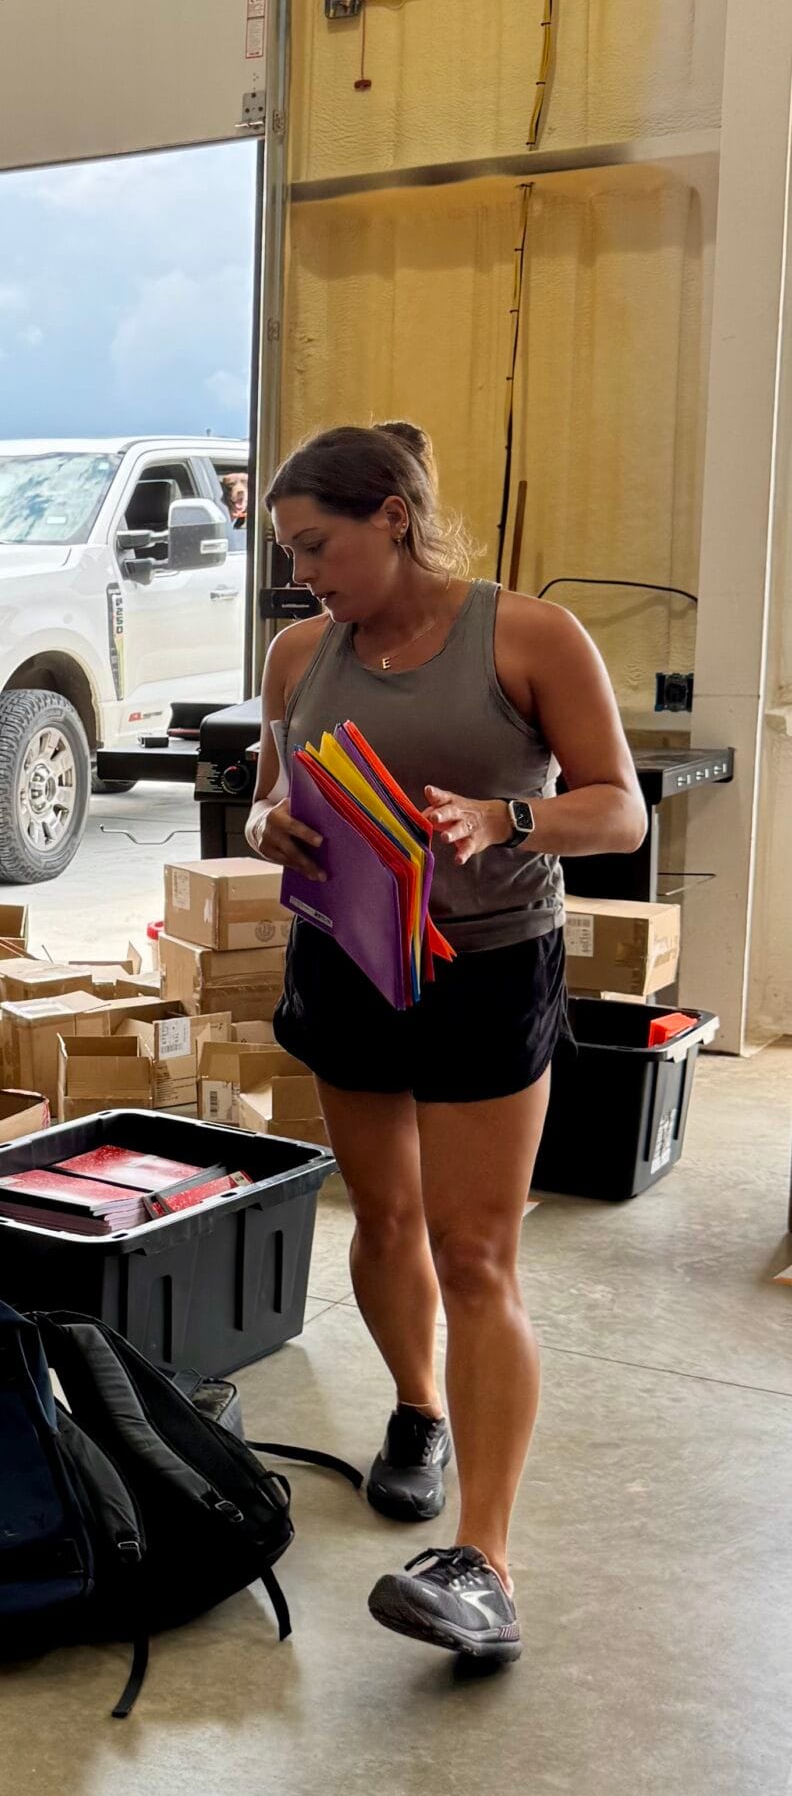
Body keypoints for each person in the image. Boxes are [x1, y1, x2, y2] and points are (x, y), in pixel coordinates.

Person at [246, 422, 645, 1664]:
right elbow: (268, 792)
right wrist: (267, 827)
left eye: (317, 546)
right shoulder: (299, 653)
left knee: (475, 1251)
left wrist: (505, 817)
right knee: (384, 1218)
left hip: (489, 965)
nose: (303, 574)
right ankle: (418, 1408)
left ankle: (486, 1560)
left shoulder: (527, 636)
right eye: (290, 553)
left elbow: (619, 810)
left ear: (393, 519)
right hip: (351, 956)